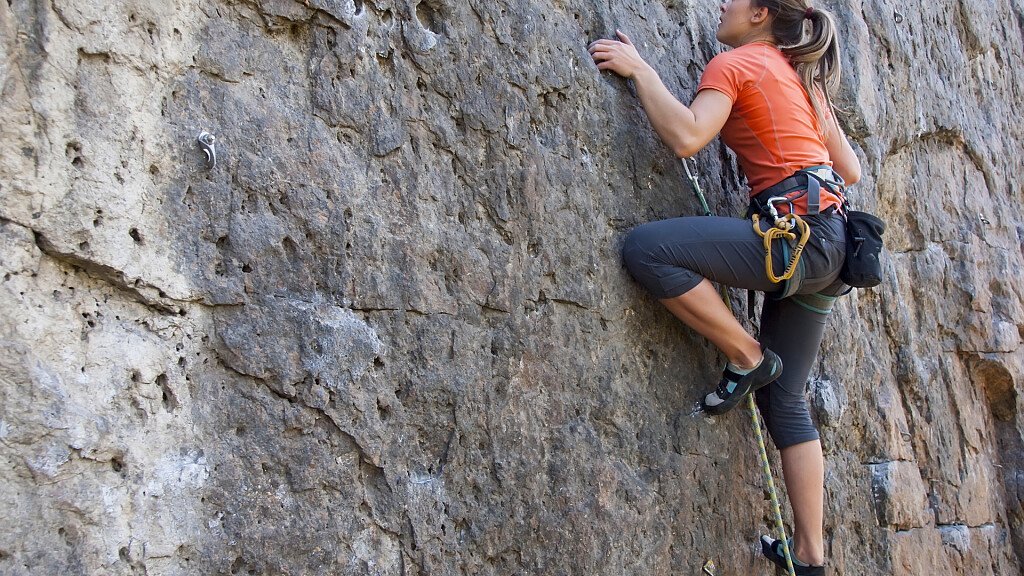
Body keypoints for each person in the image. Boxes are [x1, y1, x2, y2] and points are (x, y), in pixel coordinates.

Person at [589, 1, 861, 575]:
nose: (721, 5)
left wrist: (642, 71)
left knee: (647, 249)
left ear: (760, 13)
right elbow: (851, 168)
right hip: (833, 246)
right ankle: (811, 559)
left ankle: (745, 354)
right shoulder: (802, 77)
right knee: (786, 400)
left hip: (796, 239)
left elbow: (688, 136)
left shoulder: (738, 62)